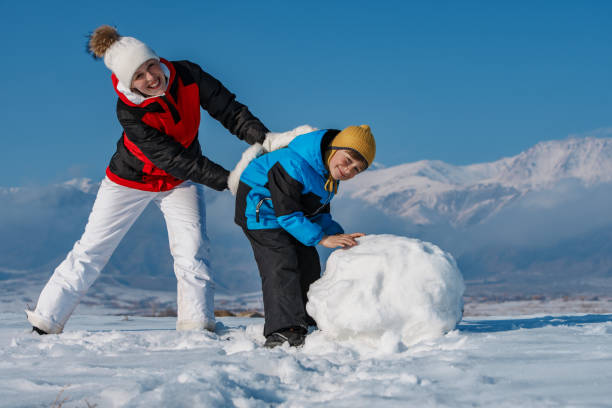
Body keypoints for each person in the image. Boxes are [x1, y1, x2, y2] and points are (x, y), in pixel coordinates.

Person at [26, 25, 270, 334]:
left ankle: (197, 325)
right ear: (129, 83)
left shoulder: (187, 74)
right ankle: (46, 321)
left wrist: (265, 139)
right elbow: (173, 158)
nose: (151, 77)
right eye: (139, 76)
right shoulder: (129, 111)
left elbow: (230, 111)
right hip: (129, 181)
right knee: (92, 249)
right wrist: (229, 180)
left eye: (150, 66)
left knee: (192, 248)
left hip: (177, 183)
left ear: (157, 59)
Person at [234, 125, 376, 348]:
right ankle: (282, 329)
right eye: (348, 160)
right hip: (260, 212)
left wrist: (337, 234)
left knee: (308, 261)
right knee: (281, 262)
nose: (348, 170)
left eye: (357, 169)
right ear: (334, 147)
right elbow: (287, 212)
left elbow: (317, 213)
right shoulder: (293, 163)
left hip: (288, 217)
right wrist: (322, 239)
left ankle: (307, 317)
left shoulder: (327, 175)